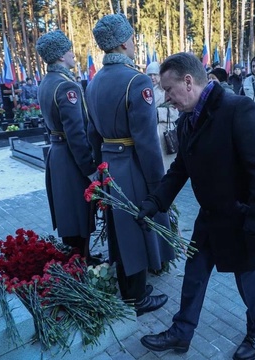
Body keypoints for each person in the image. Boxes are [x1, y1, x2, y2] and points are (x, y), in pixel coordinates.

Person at [137, 52, 255, 360]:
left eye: (168, 89)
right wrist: (154, 203)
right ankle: (181, 333)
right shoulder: (190, 118)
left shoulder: (237, 109)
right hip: (210, 218)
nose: (166, 97)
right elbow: (180, 169)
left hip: (243, 221)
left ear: (188, 82)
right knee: (195, 274)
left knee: (250, 283)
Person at [85, 13, 174, 316]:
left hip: (109, 166)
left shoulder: (93, 82)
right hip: (133, 165)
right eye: (132, 38)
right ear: (123, 43)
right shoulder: (136, 81)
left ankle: (129, 287)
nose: (134, 43)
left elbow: (92, 133)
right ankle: (136, 297)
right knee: (135, 230)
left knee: (118, 230)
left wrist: (99, 171)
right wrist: (158, 186)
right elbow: (147, 141)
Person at [35, 30, 96, 260]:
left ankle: (80, 258)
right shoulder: (66, 86)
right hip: (71, 158)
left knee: (67, 212)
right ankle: (82, 260)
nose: (73, 54)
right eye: (69, 49)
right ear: (60, 55)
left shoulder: (46, 83)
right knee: (79, 213)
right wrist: (89, 168)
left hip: (57, 154)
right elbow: (76, 134)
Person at [146, 61, 180, 171]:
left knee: (167, 167)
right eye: (149, 75)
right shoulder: (145, 91)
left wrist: (157, 113)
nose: (152, 77)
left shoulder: (167, 91)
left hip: (164, 133)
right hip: (150, 133)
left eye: (155, 74)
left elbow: (175, 112)